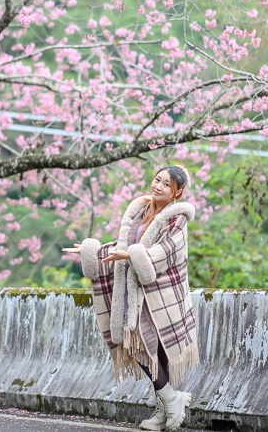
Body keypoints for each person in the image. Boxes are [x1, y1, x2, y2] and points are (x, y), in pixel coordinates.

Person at [63, 165, 199, 432]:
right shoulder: (139, 210)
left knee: (152, 347)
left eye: (166, 184)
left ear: (178, 192)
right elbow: (123, 245)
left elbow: (168, 251)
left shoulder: (177, 218)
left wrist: (133, 255)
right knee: (139, 346)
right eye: (157, 180)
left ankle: (168, 402)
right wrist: (93, 250)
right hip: (132, 290)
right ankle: (169, 401)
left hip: (160, 292)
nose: (158, 186)